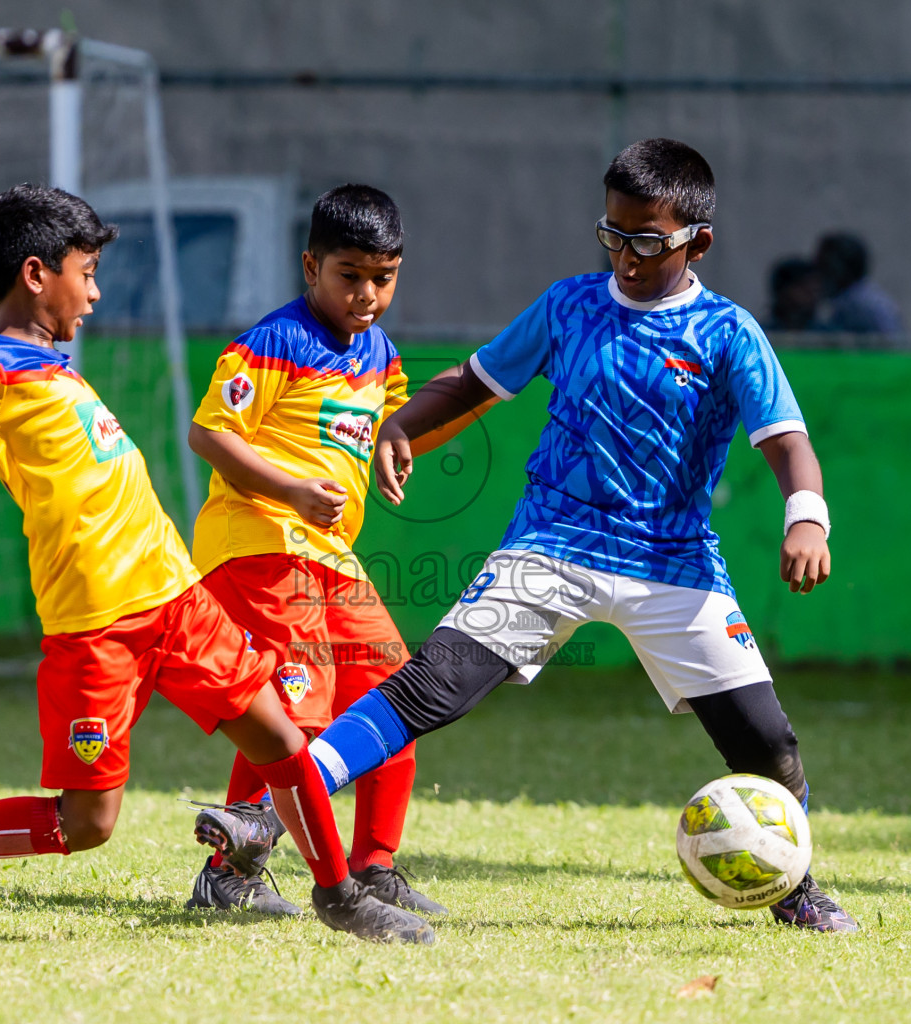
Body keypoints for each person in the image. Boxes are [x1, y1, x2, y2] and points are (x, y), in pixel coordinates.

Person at [204, 138, 859, 933]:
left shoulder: (728, 333)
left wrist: (807, 517)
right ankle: (267, 825)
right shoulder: (569, 305)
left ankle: (796, 888)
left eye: (647, 241)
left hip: (674, 566)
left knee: (767, 742)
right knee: (424, 689)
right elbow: (476, 380)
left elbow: (787, 441)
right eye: (612, 234)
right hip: (550, 547)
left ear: (698, 242)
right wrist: (400, 426)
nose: (625, 255)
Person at [0, 184, 432, 945]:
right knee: (87, 823)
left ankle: (340, 893)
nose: (94, 292)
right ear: (35, 274)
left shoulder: (52, 367)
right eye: (85, 273)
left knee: (285, 741)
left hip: (178, 600)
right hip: (101, 626)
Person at [185, 184, 444, 917]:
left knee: (397, 700)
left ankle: (375, 868)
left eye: (383, 277)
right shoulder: (276, 340)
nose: (367, 293)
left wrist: (398, 449)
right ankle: (226, 875)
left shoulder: (380, 351)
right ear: (311, 266)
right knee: (293, 719)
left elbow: (392, 422)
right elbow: (211, 434)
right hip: (261, 544)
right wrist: (295, 491)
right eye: (349, 275)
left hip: (329, 555)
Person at [814, 232, 900, 335]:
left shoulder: (865, 304)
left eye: (823, 266)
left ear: (839, 268)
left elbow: (892, 344)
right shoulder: (841, 301)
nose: (817, 274)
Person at [766, 256, 820, 331]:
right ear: (783, 290)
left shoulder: (828, 336)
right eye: (803, 288)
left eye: (815, 290)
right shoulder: (762, 334)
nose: (811, 296)